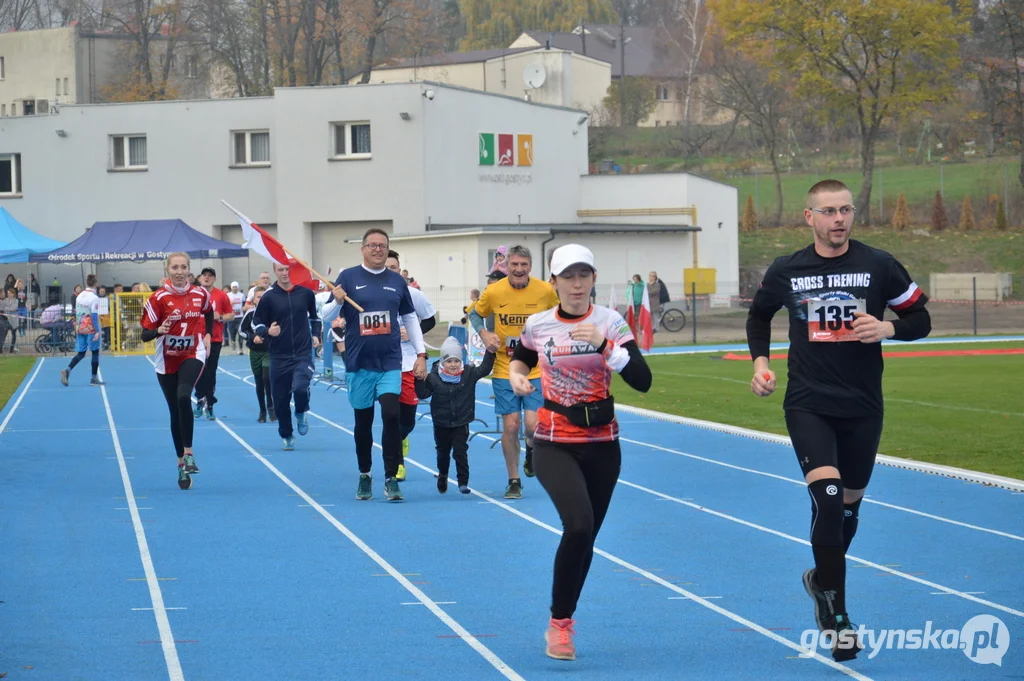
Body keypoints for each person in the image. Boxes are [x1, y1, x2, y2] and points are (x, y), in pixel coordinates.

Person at [746, 179, 932, 662]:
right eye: (828, 211)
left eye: (846, 210)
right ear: (810, 217)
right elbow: (758, 317)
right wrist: (760, 363)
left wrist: (888, 327)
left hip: (863, 406)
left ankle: (819, 578)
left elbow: (922, 320)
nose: (839, 219)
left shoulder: (879, 265)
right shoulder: (788, 269)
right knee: (828, 500)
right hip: (808, 401)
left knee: (848, 508)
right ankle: (839, 614)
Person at [509, 244, 651, 661]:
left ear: (593, 278)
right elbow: (521, 359)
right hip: (555, 439)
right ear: (553, 282)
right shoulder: (538, 325)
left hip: (603, 444)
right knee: (578, 525)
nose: (576, 284)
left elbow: (643, 381)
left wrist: (607, 347)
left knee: (587, 537)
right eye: (567, 276)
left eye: (583, 275)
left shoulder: (610, 322)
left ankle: (564, 617)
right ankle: (560, 624)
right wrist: (519, 377)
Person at [322, 228, 427, 502]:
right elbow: (326, 314)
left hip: (390, 362)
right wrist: (337, 301)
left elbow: (411, 319)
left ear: (388, 248)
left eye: (382, 245)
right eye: (372, 245)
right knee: (363, 422)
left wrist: (421, 353)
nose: (378, 249)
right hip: (359, 363)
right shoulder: (348, 277)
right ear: (363, 249)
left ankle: (391, 478)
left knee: (391, 415)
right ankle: (365, 474)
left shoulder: (396, 281)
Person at [469, 244, 559, 499]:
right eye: (514, 264)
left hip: (535, 368)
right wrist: (484, 332)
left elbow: (560, 314)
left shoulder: (544, 291)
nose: (519, 269)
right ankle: (514, 480)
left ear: (530, 266)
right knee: (511, 426)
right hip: (503, 369)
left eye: (524, 265)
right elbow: (475, 314)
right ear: (506, 266)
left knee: (531, 426)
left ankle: (531, 450)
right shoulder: (494, 291)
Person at [139, 252, 213, 490]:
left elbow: (208, 311)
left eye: (183, 267)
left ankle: (189, 453)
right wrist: (160, 329)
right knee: (174, 411)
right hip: (166, 360)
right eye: (175, 267)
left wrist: (209, 334)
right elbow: (145, 334)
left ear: (189, 270)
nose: (179, 272)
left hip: (193, 353)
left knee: (184, 395)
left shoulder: (200, 293)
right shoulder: (158, 298)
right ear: (167, 270)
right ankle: (181, 464)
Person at [251, 262, 322, 451]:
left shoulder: (305, 293)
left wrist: (316, 335)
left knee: (300, 387)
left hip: (302, 353)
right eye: (280, 270)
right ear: (275, 271)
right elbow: (256, 323)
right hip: (278, 356)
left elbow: (315, 317)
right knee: (280, 401)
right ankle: (287, 434)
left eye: (287, 270)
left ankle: (300, 411)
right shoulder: (268, 297)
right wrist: (267, 331)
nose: (284, 273)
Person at [415, 337, 494, 494]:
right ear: (443, 362)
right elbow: (422, 393)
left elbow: (484, 369)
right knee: (443, 453)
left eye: (456, 361)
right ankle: (443, 475)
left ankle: (462, 482)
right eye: (449, 361)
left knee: (460, 451)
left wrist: (490, 352)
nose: (453, 365)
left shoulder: (469, 374)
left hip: (461, 421)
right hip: (441, 422)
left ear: (461, 362)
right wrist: (418, 380)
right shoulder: (433, 377)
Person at [385, 249, 437, 481]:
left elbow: (431, 319)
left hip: (409, 362)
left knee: (407, 421)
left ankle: (401, 438)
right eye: (385, 268)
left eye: (393, 268)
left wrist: (412, 334)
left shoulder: (413, 294)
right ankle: (397, 463)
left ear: (401, 271)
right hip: (384, 363)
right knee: (390, 415)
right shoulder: (370, 295)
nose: (389, 272)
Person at [193, 267, 235, 420]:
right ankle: (199, 399)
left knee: (210, 372)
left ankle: (209, 404)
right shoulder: (194, 294)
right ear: (200, 277)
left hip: (215, 339)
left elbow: (231, 314)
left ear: (214, 279)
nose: (207, 278)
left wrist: (221, 317)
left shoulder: (221, 295)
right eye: (204, 275)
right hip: (196, 338)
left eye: (210, 276)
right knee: (198, 371)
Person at [239, 286, 275, 423]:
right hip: (255, 352)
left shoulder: (272, 313)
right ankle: (262, 410)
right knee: (259, 382)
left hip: (268, 351)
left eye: (263, 296)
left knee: (267, 378)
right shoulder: (250, 313)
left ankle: (271, 407)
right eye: (258, 297)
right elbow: (242, 331)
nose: (261, 299)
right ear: (253, 300)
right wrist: (252, 337)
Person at [60, 274, 103, 386]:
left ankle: (68, 370)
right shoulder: (94, 298)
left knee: (81, 353)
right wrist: (97, 330)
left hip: (80, 327)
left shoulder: (80, 296)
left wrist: (76, 324)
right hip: (90, 328)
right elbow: (94, 315)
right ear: (96, 284)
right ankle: (93, 378)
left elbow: (77, 311)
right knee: (95, 352)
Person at [227, 281, 246, 354]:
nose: (235, 288)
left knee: (240, 332)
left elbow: (244, 304)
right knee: (232, 332)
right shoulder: (228, 295)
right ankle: (233, 341)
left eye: (236, 287)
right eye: (233, 287)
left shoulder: (241, 295)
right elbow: (225, 304)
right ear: (231, 288)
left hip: (240, 316)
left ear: (238, 288)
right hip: (231, 316)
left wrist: (243, 310)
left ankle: (241, 349)